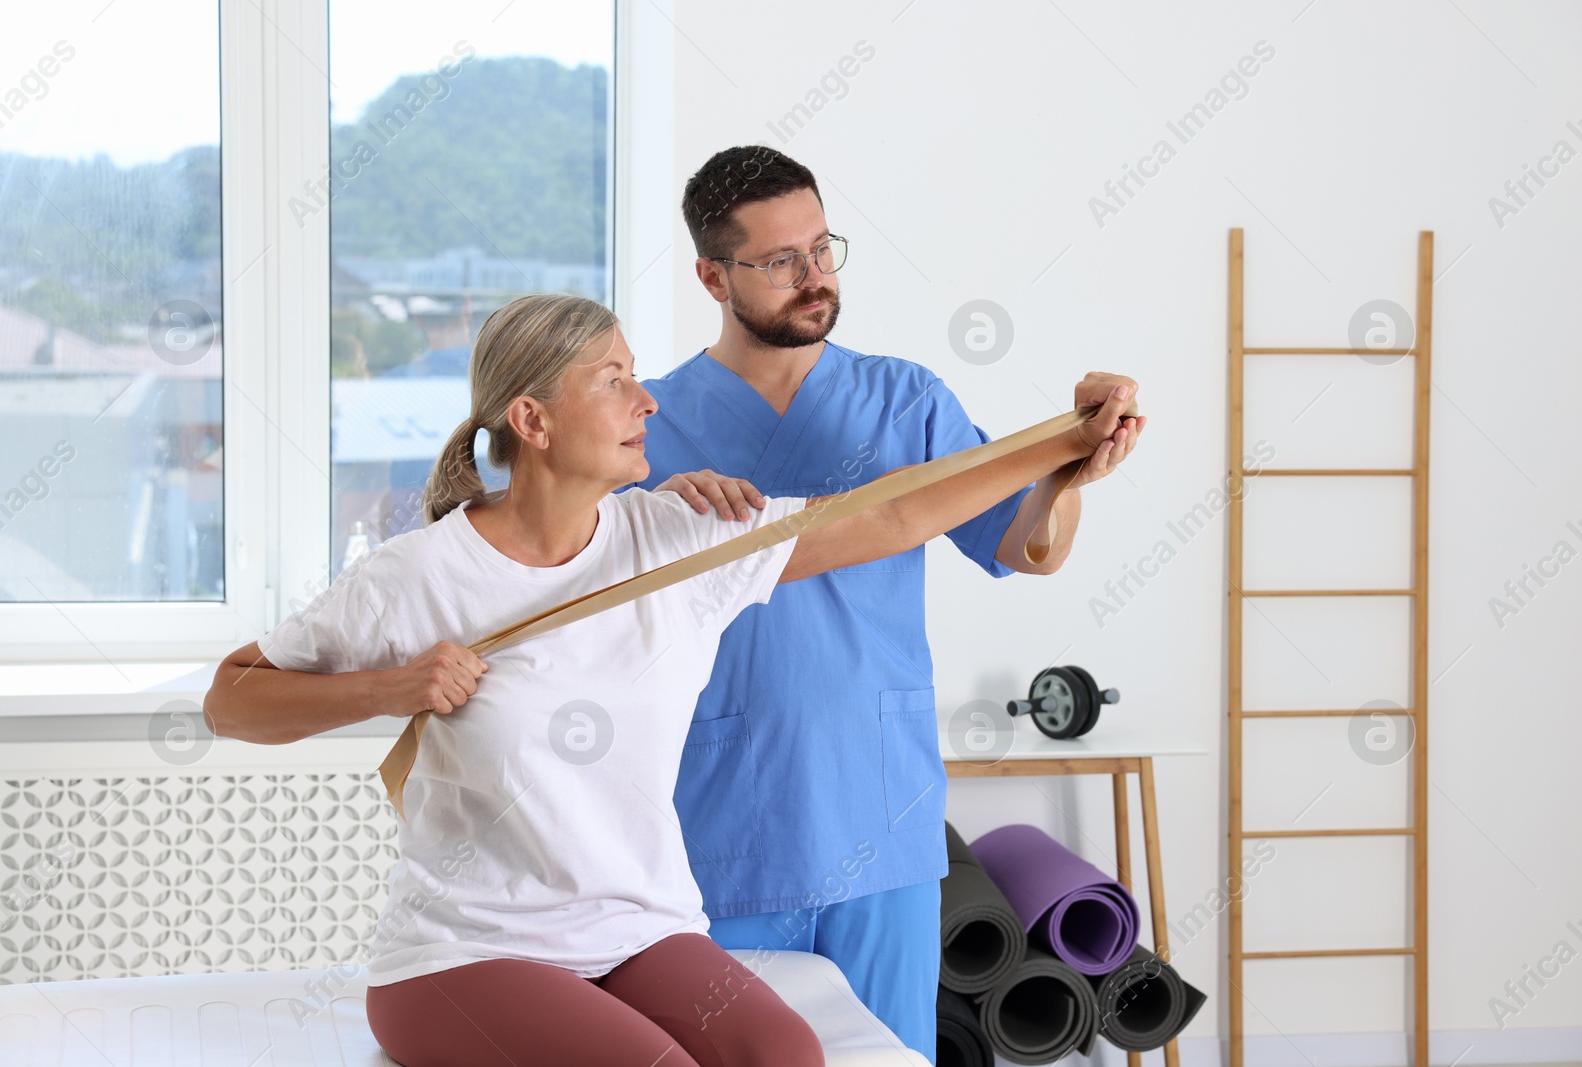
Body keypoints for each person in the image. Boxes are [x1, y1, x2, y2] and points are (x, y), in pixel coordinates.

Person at [201, 292, 1136, 1067]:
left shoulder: (677, 543)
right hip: (465, 950)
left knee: (787, 1055)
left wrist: (1062, 444)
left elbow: (889, 520)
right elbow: (231, 698)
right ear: (531, 420)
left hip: (638, 929)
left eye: (637, 374)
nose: (645, 401)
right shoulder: (419, 577)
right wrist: (390, 689)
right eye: (612, 382)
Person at [628, 145, 1144, 1061]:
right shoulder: (653, 427)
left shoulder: (904, 400)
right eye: (780, 261)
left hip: (880, 817)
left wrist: (1071, 473)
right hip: (720, 828)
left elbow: (1026, 546)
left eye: (823, 248)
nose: (814, 277)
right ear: (713, 275)